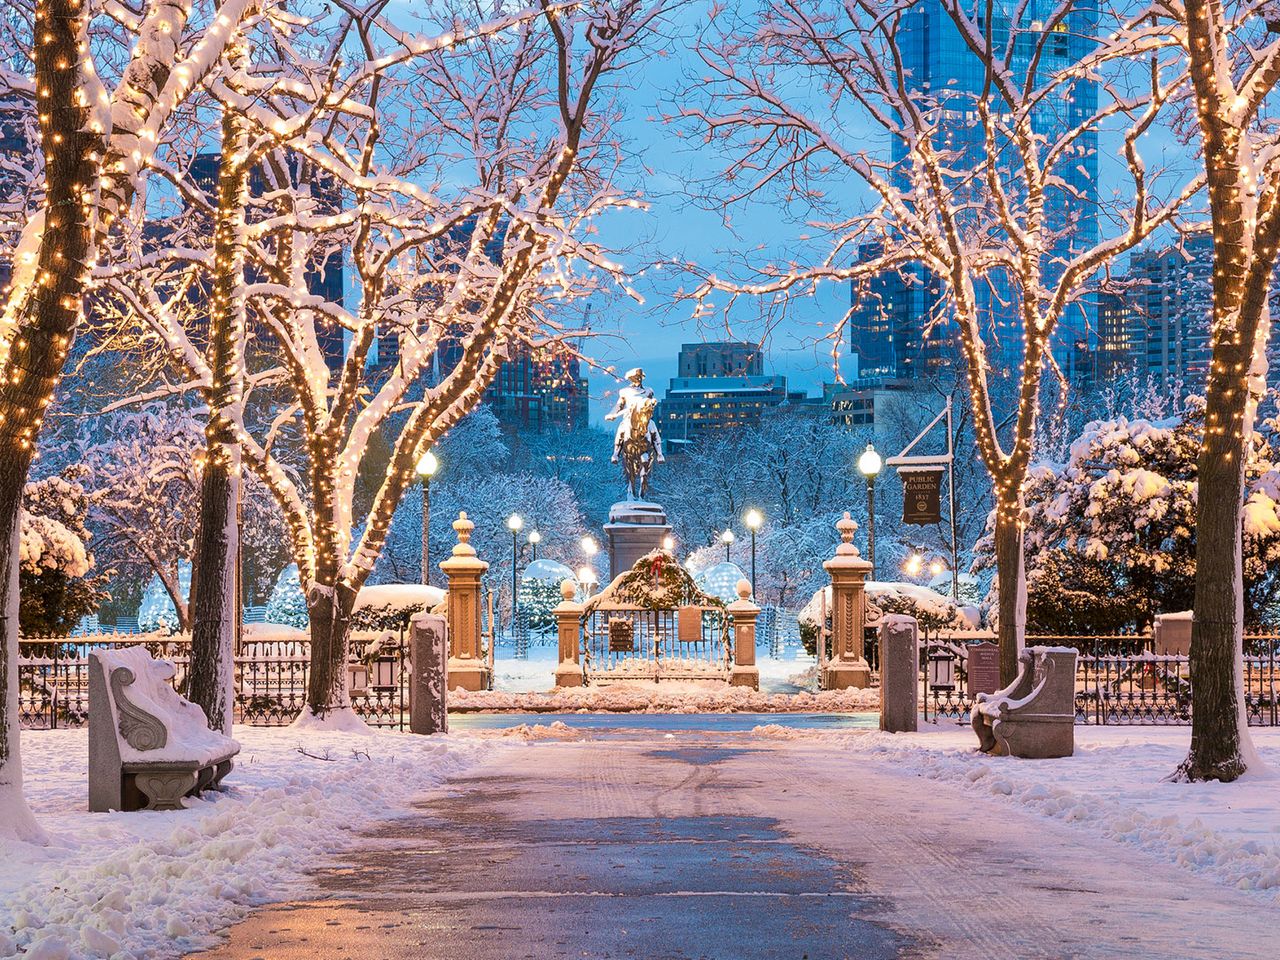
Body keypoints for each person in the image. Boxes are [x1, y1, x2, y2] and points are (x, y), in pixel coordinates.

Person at [605, 367, 664, 465]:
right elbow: (619, 405)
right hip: (629, 417)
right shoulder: (625, 391)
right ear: (632, 378)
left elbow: (650, 403)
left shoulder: (648, 391)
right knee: (621, 428)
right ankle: (616, 453)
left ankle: (659, 454)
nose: (639, 379)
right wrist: (612, 414)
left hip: (644, 417)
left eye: (640, 377)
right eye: (637, 377)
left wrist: (652, 403)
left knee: (653, 428)